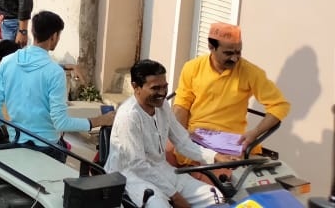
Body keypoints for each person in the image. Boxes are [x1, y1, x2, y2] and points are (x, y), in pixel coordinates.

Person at [108, 59, 237, 208]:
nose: (162, 93)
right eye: (155, 88)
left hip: (162, 169)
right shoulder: (129, 116)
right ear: (136, 86)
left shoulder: (162, 108)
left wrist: (215, 157)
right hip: (130, 177)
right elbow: (138, 165)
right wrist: (175, 196)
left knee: (214, 196)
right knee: (160, 206)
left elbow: (182, 142)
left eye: (165, 87)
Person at [0, 11, 114, 160]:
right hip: (46, 147)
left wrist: (11, 131)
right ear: (54, 36)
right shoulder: (54, 72)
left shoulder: (7, 62)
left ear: (33, 32)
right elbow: (61, 123)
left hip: (16, 141)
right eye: (58, 36)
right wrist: (98, 121)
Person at [171, 23, 289, 165]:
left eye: (238, 52)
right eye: (228, 53)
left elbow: (279, 106)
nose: (234, 58)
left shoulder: (251, 72)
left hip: (229, 143)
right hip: (194, 136)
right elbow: (181, 106)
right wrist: (181, 137)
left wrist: (255, 132)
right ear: (211, 47)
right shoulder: (192, 67)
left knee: (211, 177)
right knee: (155, 160)